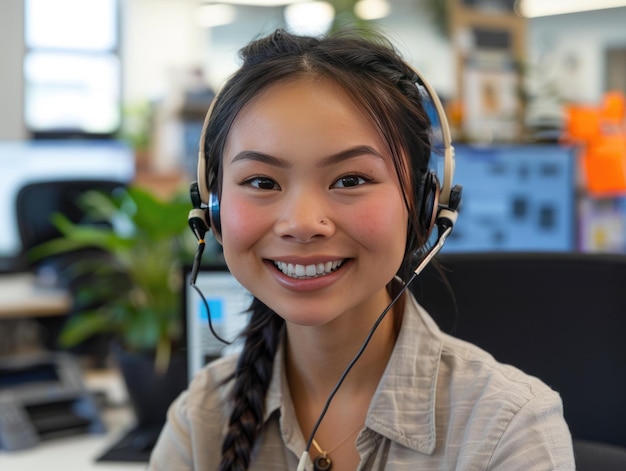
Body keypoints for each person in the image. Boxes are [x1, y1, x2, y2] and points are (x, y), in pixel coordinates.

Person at [149, 28, 575, 470]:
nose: (302, 224)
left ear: (425, 203)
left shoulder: (507, 430)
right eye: (261, 182)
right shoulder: (200, 421)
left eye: (350, 180)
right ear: (212, 207)